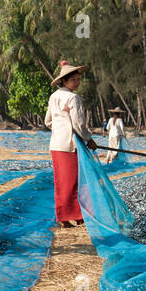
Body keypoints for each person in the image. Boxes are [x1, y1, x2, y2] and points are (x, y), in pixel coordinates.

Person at [45, 60, 97, 227]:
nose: (77, 82)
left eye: (78, 79)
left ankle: (65, 217)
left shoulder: (54, 97)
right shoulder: (74, 98)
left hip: (56, 145)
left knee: (62, 182)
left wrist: (61, 128)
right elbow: (79, 125)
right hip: (69, 146)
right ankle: (75, 215)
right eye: (73, 80)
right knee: (75, 181)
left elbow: (48, 121)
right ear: (64, 81)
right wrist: (89, 139)